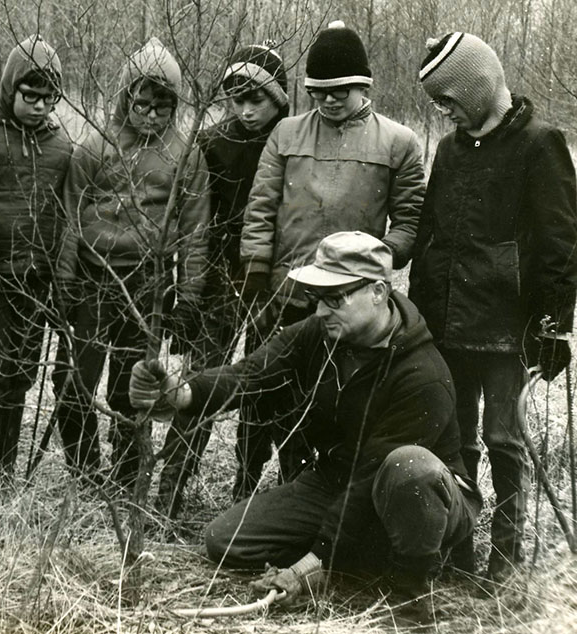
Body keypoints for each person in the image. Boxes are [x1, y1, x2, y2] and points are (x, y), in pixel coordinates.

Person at [130, 231, 481, 625]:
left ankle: (408, 595)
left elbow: (369, 477)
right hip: (336, 481)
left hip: (414, 493)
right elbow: (250, 375)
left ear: (379, 292)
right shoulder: (322, 333)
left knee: (408, 466)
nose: (320, 311)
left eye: (336, 298)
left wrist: (311, 564)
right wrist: (180, 394)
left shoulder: (423, 374)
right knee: (225, 540)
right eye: (317, 298)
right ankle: (362, 558)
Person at [408, 32, 577, 580]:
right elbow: (431, 236)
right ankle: (457, 552)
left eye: (447, 97)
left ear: (476, 87)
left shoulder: (540, 143)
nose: (442, 110)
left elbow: (561, 244)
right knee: (452, 440)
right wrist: (418, 316)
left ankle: (503, 560)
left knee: (505, 443)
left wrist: (554, 327)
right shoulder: (449, 148)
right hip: (447, 325)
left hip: (508, 329)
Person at [236, 21, 426, 489]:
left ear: (364, 86)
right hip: (282, 296)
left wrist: (377, 264)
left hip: (349, 307)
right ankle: (245, 491)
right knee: (259, 401)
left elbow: (410, 223)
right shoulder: (285, 133)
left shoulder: (399, 143)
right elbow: (260, 208)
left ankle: (311, 498)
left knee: (327, 409)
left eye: (340, 90)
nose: (328, 100)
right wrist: (257, 271)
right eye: (318, 91)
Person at [53, 37, 210, 491]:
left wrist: (189, 296)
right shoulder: (93, 148)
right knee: (73, 383)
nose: (151, 114)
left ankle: (125, 478)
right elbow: (70, 216)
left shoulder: (186, 154)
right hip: (91, 278)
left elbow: (195, 229)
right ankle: (84, 474)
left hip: (147, 284)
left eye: (163, 105)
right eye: (142, 102)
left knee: (131, 386)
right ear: (126, 97)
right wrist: (64, 280)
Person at [156, 41, 291, 518]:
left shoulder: (295, 141)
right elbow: (193, 220)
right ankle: (172, 485)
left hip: (272, 283)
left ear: (280, 99)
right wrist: (191, 288)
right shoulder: (212, 142)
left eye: (258, 100)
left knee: (263, 383)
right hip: (217, 278)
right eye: (237, 100)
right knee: (203, 381)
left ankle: (245, 490)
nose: (247, 111)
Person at [0, 35, 73, 486]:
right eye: (30, 96)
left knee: (19, 377)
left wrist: (57, 274)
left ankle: (1, 473)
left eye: (49, 98)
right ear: (10, 88)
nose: (40, 106)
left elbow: (65, 213)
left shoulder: (61, 146)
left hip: (34, 281)